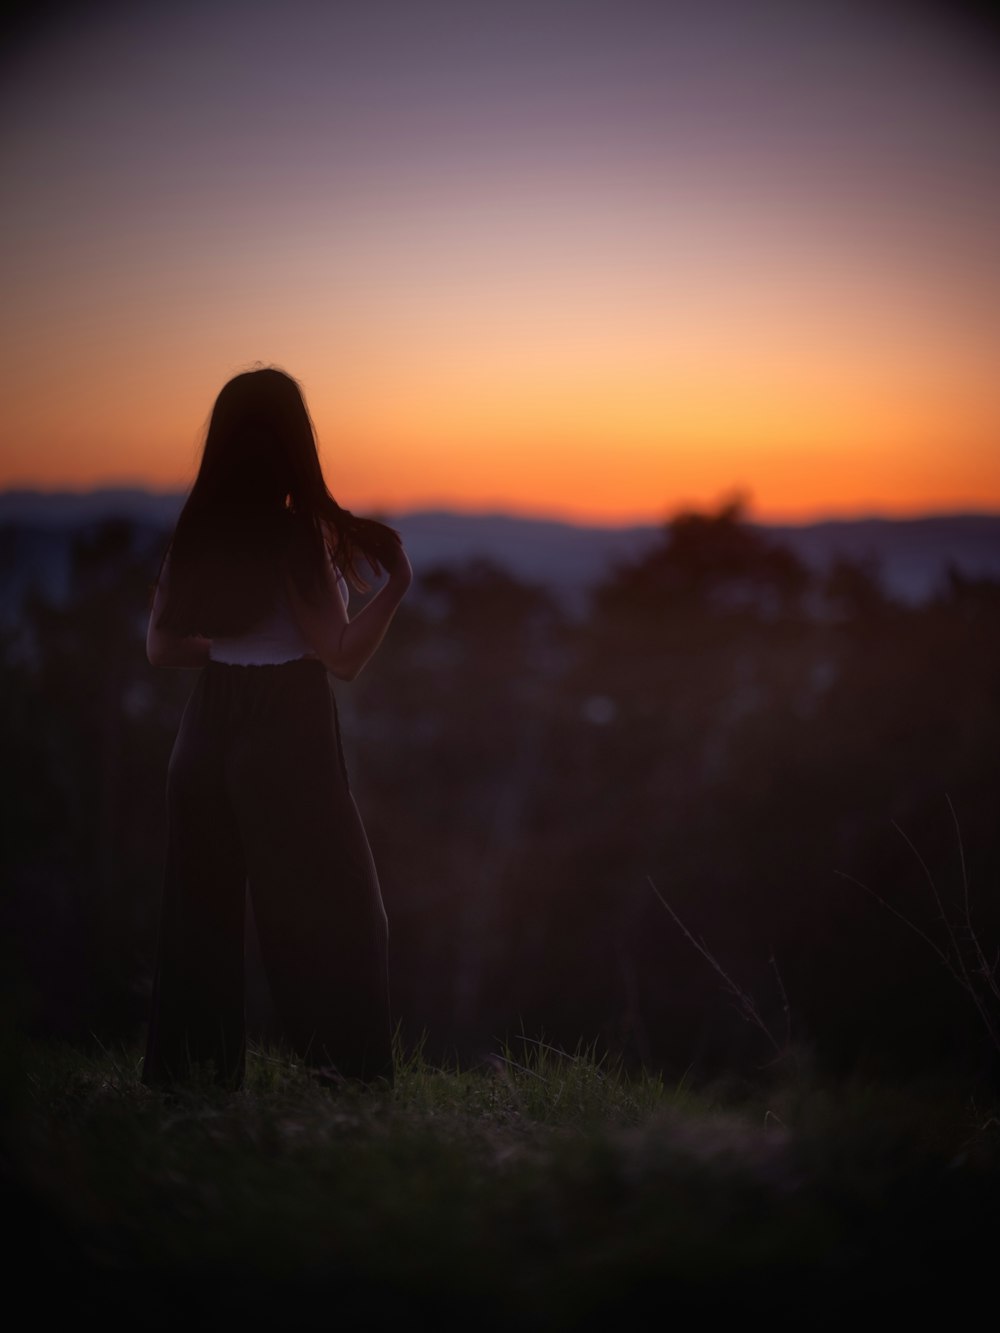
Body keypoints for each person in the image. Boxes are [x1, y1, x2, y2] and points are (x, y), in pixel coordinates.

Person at [142, 365, 411, 1089]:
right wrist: (396, 589)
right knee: (345, 909)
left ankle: (191, 1082)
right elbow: (343, 658)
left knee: (198, 919)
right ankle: (348, 1077)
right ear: (296, 442)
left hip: (204, 731)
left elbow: (161, 647)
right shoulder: (298, 537)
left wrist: (232, 651)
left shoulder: (196, 531)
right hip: (285, 724)